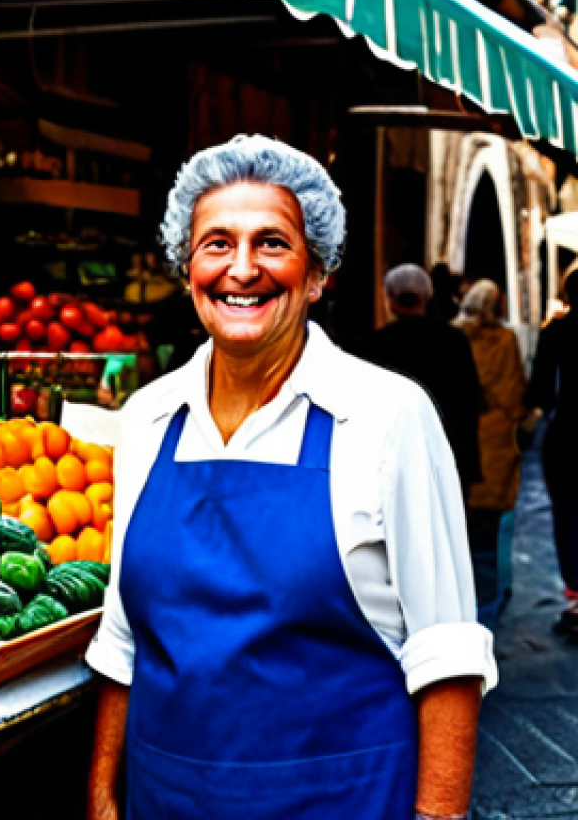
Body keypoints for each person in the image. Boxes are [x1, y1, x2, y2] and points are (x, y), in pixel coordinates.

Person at [86, 135, 495, 820]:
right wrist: (102, 796)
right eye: (216, 244)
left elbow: (446, 652)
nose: (240, 269)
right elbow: (124, 639)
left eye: (272, 243)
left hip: (341, 803)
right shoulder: (148, 418)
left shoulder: (387, 415)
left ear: (316, 274)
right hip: (168, 799)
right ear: (187, 269)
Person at [356, 263, 484, 494]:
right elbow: (470, 401)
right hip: (447, 454)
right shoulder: (455, 341)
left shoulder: (376, 345)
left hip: (394, 459)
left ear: (389, 299)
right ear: (428, 296)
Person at [453, 280, 527, 623]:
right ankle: (490, 601)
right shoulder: (505, 340)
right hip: (495, 438)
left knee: (457, 526)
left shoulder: (453, 336)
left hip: (459, 437)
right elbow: (515, 395)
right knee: (492, 528)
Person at [527, 266, 578, 629]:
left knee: (566, 511)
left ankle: (575, 592)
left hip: (567, 432)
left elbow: (540, 391)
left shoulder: (556, 333)